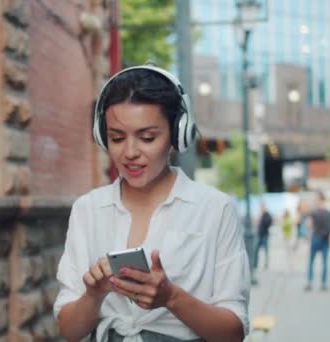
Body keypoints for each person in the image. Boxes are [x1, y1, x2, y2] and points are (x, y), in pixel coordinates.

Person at [53, 65, 250, 341]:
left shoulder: (215, 209)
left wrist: (171, 297)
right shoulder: (87, 210)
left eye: (147, 138)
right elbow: (68, 331)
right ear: (101, 136)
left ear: (177, 134)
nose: (130, 152)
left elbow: (233, 333)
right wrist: (93, 295)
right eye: (117, 138)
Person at [305, 191, 330, 291]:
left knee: (311, 261)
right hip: (325, 239)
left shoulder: (314, 213)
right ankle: (323, 283)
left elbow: (308, 225)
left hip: (316, 238)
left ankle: (309, 282)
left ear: (318, 201)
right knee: (325, 263)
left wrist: (309, 239)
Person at [253, 204, 272, 270]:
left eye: (262, 208)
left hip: (265, 235)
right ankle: (255, 264)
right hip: (260, 235)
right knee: (256, 250)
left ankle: (266, 264)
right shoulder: (261, 215)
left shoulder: (267, 215)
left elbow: (268, 223)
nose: (261, 209)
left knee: (266, 251)